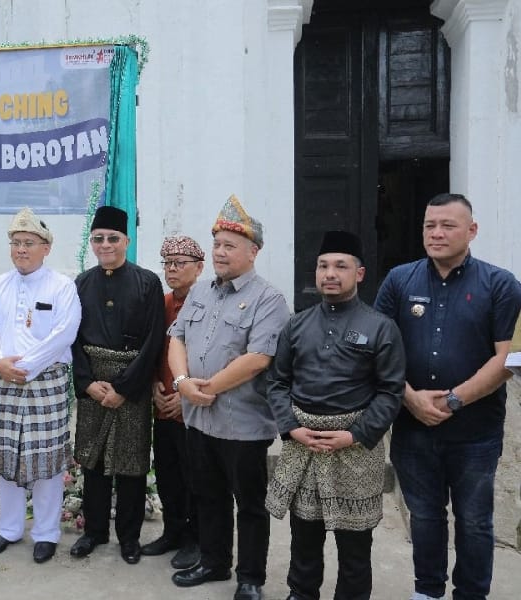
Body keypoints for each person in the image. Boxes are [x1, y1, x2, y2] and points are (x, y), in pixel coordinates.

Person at [374, 193, 521, 600]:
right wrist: (411, 399)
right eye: (429, 225)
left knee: (474, 521)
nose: (436, 233)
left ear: (471, 231)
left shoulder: (501, 284)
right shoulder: (399, 280)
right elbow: (377, 351)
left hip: (476, 431)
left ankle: (471, 594)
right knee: (424, 517)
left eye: (448, 225)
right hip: (412, 427)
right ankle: (428, 592)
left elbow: (508, 359)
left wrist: (453, 400)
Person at [266, 230, 405, 600]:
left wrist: (355, 434)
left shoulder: (380, 327)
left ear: (358, 274)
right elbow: (277, 383)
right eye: (323, 265)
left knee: (355, 548)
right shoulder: (296, 325)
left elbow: (391, 392)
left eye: (341, 266)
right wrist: (292, 428)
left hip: (355, 450)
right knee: (304, 539)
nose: (330, 273)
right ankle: (301, 593)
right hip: (304, 445)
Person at [167, 195, 290, 600]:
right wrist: (183, 381)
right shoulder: (200, 292)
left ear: (253, 252)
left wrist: (208, 388)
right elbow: (177, 337)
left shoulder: (268, 299)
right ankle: (213, 561)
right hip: (198, 418)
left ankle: (250, 578)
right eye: (217, 244)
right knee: (207, 495)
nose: (220, 252)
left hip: (243, 423)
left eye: (229, 246)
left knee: (250, 505)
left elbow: (258, 357)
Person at [0, 208, 81, 564]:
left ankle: (47, 533)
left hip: (45, 381)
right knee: (7, 456)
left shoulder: (62, 286)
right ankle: (8, 528)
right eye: (16, 243)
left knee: (46, 460)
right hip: (5, 381)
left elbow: (63, 332)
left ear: (46, 247)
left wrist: (27, 366)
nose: (21, 249)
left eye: (29, 243)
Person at [69, 206, 166, 565]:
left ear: (127, 240)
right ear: (91, 243)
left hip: (132, 385)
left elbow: (155, 340)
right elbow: (72, 339)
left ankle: (129, 537)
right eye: (98, 238)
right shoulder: (81, 283)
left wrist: (124, 387)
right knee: (93, 462)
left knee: (131, 463)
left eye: (113, 238)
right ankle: (93, 532)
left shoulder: (147, 282)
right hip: (93, 383)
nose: (105, 244)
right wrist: (87, 382)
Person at [141, 236, 205, 569]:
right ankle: (172, 532)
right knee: (167, 473)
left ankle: (197, 539)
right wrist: (153, 385)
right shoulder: (162, 304)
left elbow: (215, 358)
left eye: (180, 263)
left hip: (195, 407)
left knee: (194, 475)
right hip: (162, 402)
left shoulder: (209, 304)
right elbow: (151, 348)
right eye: (167, 263)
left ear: (199, 267)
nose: (172, 269)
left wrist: (187, 399)